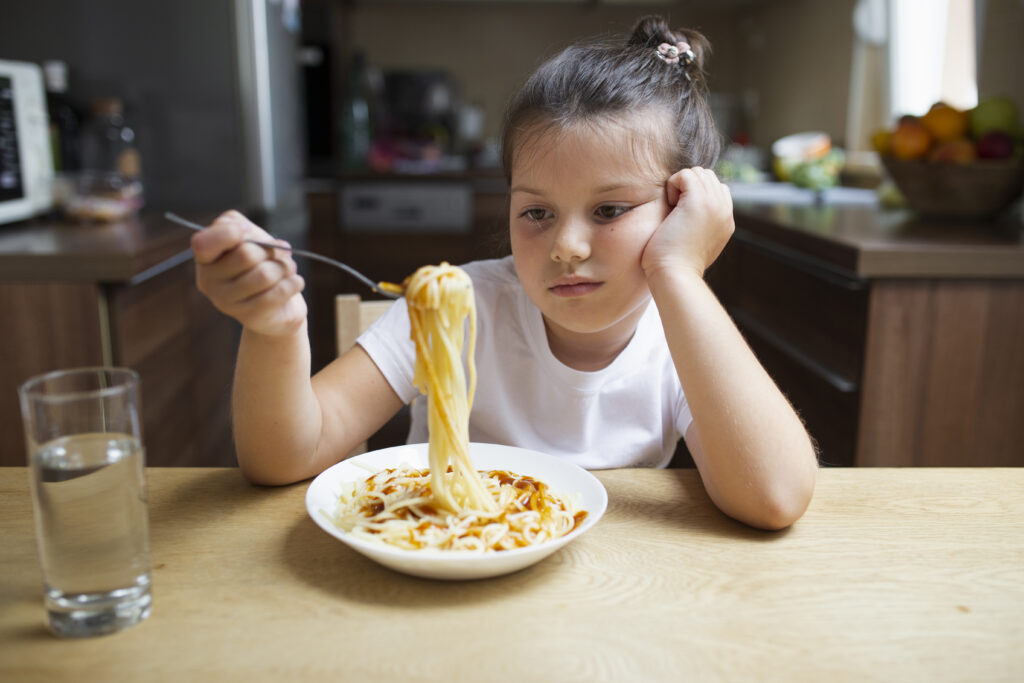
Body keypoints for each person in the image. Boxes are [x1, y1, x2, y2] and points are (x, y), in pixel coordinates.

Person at [191, 16, 817, 530]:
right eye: (537, 212)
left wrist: (679, 272)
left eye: (609, 210)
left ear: (683, 207)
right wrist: (274, 327)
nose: (567, 246)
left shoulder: (680, 335)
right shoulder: (460, 305)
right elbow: (283, 457)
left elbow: (775, 496)